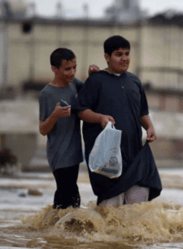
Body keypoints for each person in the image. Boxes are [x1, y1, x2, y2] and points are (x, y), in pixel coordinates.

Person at [77, 35, 162, 208]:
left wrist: (150, 126)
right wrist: (100, 118)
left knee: (137, 211)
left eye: (127, 54)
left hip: (135, 156)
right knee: (110, 212)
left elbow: (142, 112)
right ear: (107, 57)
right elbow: (81, 110)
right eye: (118, 54)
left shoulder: (134, 81)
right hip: (107, 157)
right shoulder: (96, 80)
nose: (124, 58)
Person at [38, 48, 88, 209]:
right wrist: (55, 115)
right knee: (71, 197)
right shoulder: (47, 93)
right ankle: (62, 230)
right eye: (67, 69)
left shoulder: (74, 84)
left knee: (64, 197)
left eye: (74, 67)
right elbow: (43, 130)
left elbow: (90, 90)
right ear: (54, 69)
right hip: (59, 154)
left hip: (74, 152)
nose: (72, 72)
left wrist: (93, 74)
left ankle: (51, 229)